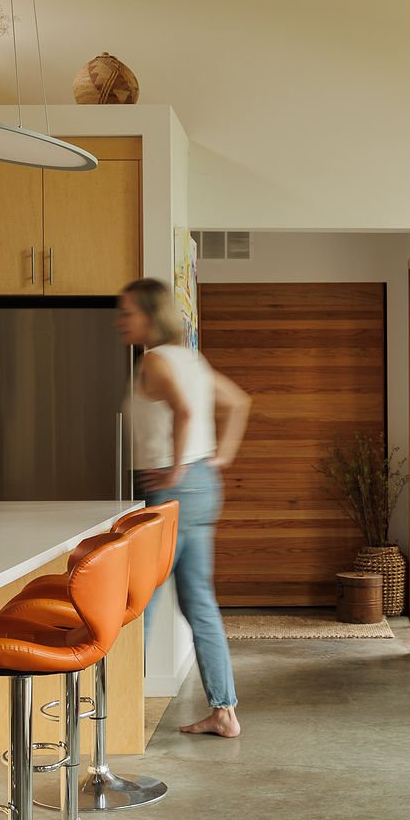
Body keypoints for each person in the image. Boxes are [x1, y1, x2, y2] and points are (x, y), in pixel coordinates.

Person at [116, 277, 251, 738]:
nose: (121, 320)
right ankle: (224, 711)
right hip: (203, 485)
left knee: (141, 602)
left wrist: (174, 471)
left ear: (150, 316)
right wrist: (217, 458)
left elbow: (185, 412)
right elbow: (238, 402)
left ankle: (120, 719)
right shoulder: (190, 359)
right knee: (199, 602)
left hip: (170, 490)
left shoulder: (154, 360)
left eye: (128, 311)